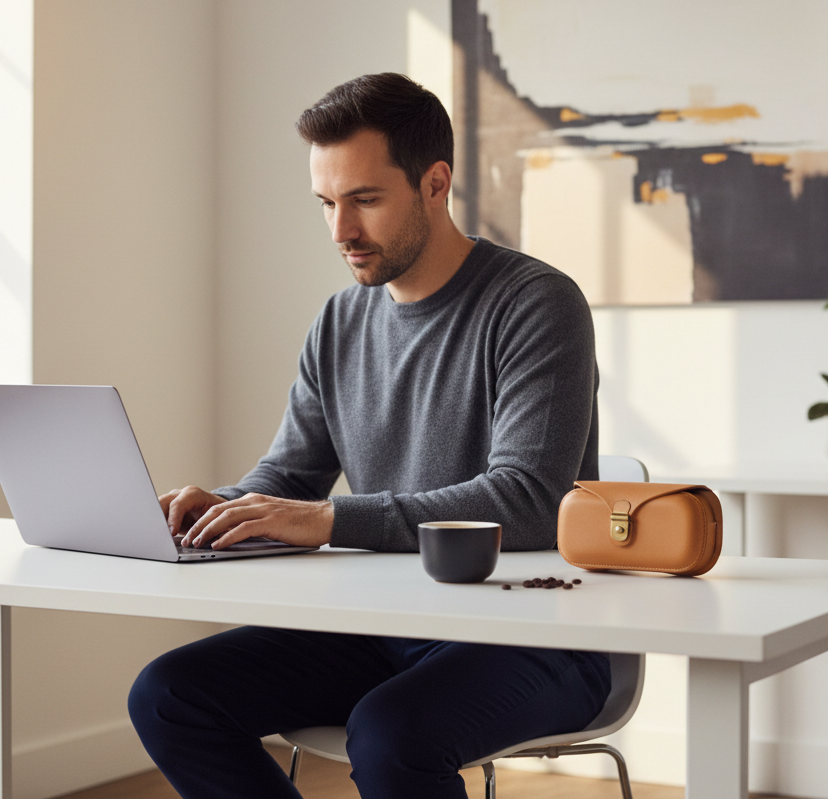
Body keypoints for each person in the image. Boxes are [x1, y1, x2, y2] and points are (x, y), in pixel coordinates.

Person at [128, 72, 605, 799]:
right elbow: (289, 480)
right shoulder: (340, 323)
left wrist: (326, 521)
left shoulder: (536, 303)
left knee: (391, 735)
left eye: (365, 200)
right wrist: (215, 508)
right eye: (326, 203)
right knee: (168, 694)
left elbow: (530, 500)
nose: (341, 231)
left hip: (536, 632)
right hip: (384, 623)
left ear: (435, 183)